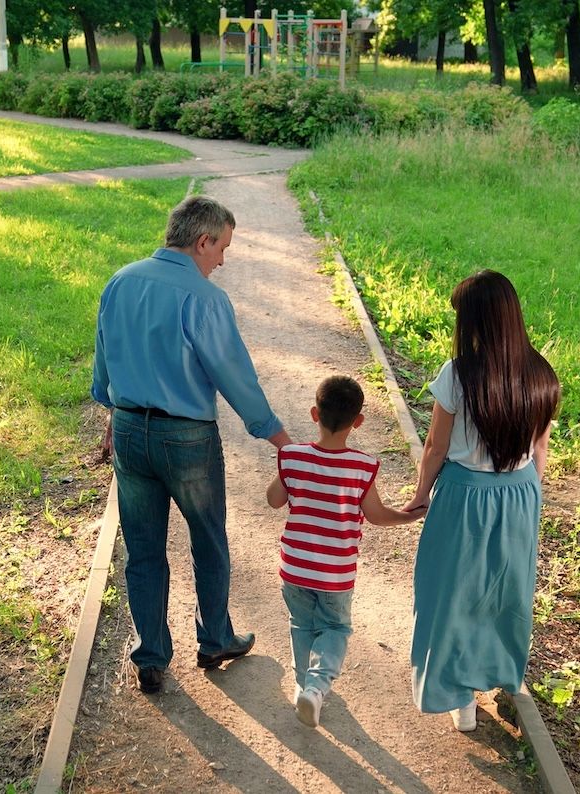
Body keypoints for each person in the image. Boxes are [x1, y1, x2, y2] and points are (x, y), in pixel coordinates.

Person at [92, 195, 292, 696]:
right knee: (207, 538)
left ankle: (152, 656)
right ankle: (215, 639)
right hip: (186, 440)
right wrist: (277, 435)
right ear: (202, 241)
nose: (222, 260)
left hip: (131, 433)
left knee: (142, 550)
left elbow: (104, 363)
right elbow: (234, 376)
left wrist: (111, 410)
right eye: (222, 248)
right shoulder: (204, 299)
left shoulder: (120, 281)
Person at [401, 270, 560, 732]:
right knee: (503, 595)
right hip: (520, 494)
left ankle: (459, 698)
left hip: (464, 496)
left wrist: (420, 494)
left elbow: (434, 446)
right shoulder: (542, 374)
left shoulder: (458, 374)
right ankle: (493, 677)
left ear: (475, 322)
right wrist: (528, 498)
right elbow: (541, 450)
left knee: (448, 595)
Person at [266, 375, 424, 728]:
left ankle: (303, 683)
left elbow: (274, 500)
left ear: (313, 413)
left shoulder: (291, 456)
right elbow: (377, 516)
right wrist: (409, 517)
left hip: (295, 567)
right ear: (358, 421)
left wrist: (290, 473)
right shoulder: (362, 467)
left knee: (301, 625)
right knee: (335, 628)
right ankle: (317, 687)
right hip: (335, 573)